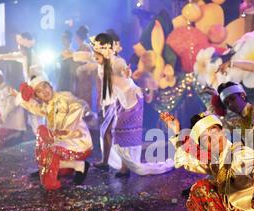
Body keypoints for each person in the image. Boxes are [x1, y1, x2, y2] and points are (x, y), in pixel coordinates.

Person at [65, 33, 173, 177]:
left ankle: (125, 168)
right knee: (107, 130)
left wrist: (126, 72)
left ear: (106, 50)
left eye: (97, 53)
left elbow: (122, 69)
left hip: (128, 100)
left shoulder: (116, 62)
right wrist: (72, 55)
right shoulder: (101, 59)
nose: (94, 56)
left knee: (120, 132)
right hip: (116, 101)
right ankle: (106, 162)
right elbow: (87, 56)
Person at [15, 76, 93, 190]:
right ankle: (51, 166)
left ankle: (79, 166)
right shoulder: (47, 105)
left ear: (50, 86)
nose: (44, 92)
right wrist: (21, 97)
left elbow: (78, 104)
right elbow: (35, 107)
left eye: (45, 87)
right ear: (37, 96)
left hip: (77, 142)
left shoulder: (63, 97)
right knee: (42, 132)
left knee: (49, 150)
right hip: (61, 143)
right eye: (39, 91)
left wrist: (84, 109)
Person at [0, 32, 45, 134]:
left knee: (37, 114)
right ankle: (38, 136)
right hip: (30, 88)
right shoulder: (23, 56)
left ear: (24, 46)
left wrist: (34, 84)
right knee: (30, 112)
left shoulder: (34, 57)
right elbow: (12, 55)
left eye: (19, 46)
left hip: (38, 87)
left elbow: (39, 74)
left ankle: (42, 137)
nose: (18, 48)